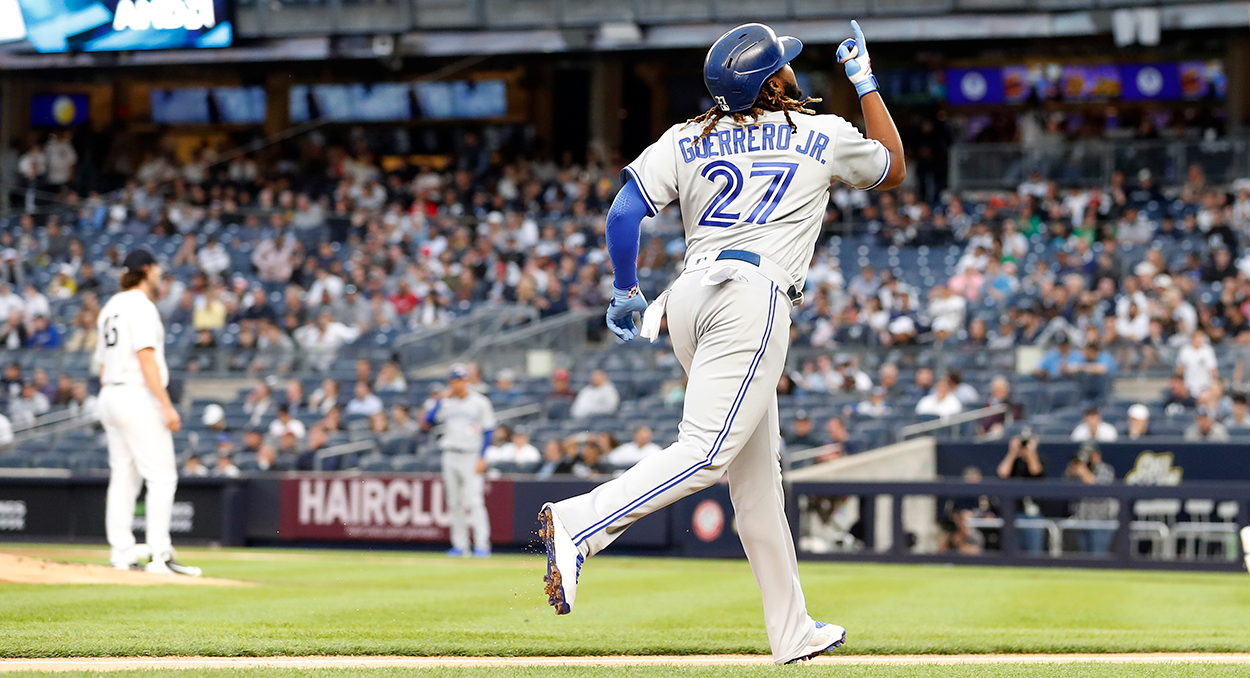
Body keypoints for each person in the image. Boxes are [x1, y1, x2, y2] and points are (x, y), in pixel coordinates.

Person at [539, 20, 905, 663]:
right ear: (772, 81)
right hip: (751, 297)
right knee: (707, 452)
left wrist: (626, 289)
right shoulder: (817, 133)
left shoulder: (689, 137)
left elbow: (624, 212)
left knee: (758, 483)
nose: (794, 69)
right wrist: (865, 83)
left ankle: (792, 632)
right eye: (785, 64)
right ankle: (579, 525)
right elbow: (893, 167)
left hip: (687, 301)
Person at [95, 249, 200, 576]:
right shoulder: (141, 305)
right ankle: (159, 554)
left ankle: (122, 553)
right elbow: (146, 358)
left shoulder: (110, 306)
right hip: (136, 394)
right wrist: (166, 404)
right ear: (146, 270)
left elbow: (101, 365)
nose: (158, 274)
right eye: (155, 269)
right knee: (162, 476)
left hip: (110, 391)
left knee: (123, 478)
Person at [423, 364, 496, 558]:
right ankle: (460, 545)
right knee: (454, 502)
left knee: (474, 501)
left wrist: (483, 457)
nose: (459, 383)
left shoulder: (480, 402)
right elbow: (428, 421)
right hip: (450, 454)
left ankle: (482, 545)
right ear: (450, 382)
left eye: (462, 379)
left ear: (467, 381)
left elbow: (489, 431)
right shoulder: (446, 402)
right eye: (455, 380)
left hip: (471, 455)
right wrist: (440, 400)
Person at [996, 431, 1046, 554]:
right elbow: (1002, 473)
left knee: (1034, 551)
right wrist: (1013, 451)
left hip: (1032, 513)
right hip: (1013, 512)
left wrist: (1031, 451)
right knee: (1014, 550)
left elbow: (1036, 471)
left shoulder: (1039, 459)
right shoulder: (1014, 461)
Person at [1065, 441, 1117, 556]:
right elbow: (1066, 484)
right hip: (1082, 521)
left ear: (1097, 455)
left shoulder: (1106, 469)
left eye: (1089, 454)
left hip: (1101, 522)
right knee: (1084, 559)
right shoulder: (1080, 470)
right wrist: (1072, 470)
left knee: (1099, 558)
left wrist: (1083, 472)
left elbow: (1099, 489)